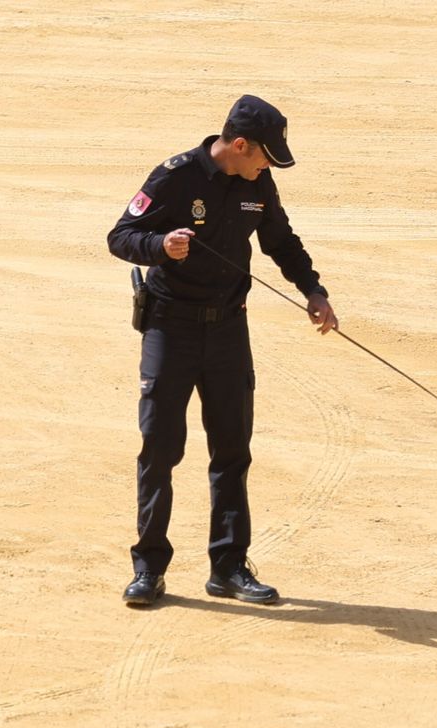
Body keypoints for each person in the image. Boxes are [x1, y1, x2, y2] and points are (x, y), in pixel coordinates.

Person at [107, 94, 338, 608]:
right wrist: (160, 246)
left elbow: (281, 240)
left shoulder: (259, 185)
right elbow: (121, 236)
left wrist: (313, 290)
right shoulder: (174, 176)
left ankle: (229, 568)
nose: (267, 167)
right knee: (160, 451)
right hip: (171, 330)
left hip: (229, 333)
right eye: (264, 157)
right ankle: (148, 569)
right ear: (239, 145)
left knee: (231, 453)